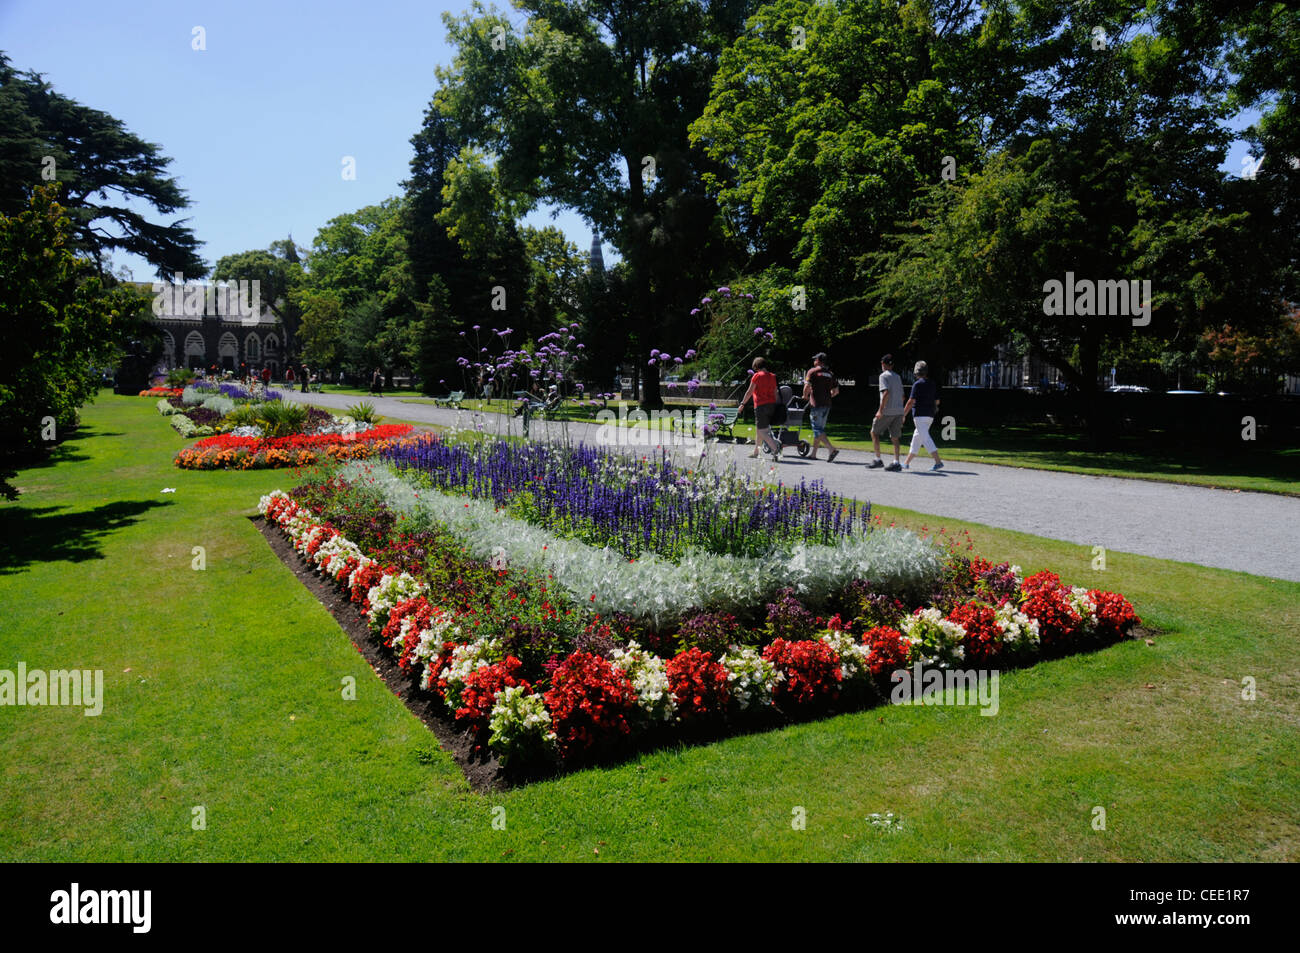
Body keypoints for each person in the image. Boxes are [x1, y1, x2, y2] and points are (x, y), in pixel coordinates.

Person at [902, 360, 944, 471]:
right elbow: (937, 401)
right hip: (930, 415)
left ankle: (938, 462)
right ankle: (906, 463)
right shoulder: (932, 383)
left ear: (916, 372)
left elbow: (911, 401)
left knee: (925, 439)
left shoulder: (917, 384)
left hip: (920, 415)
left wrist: (903, 414)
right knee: (917, 439)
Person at [738, 357, 783, 459]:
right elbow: (775, 393)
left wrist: (742, 404)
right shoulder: (772, 376)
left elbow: (749, 392)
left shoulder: (757, 376)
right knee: (759, 429)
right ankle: (756, 452)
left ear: (756, 366)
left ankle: (775, 449)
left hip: (760, 406)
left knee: (762, 431)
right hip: (771, 405)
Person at [869, 354, 907, 471]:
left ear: (883, 364)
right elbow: (903, 396)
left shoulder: (883, 376)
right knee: (895, 437)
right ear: (892, 365)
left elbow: (886, 393)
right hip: (899, 410)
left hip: (887, 411)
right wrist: (901, 411)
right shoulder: (897, 377)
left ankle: (878, 459)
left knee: (874, 433)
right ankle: (896, 462)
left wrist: (880, 410)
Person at [802, 352, 840, 461]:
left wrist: (805, 396)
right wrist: (827, 396)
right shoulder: (830, 373)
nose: (814, 361)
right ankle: (814, 454)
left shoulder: (812, 371)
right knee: (819, 429)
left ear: (818, 360)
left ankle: (831, 449)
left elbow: (807, 387)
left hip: (816, 404)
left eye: (815, 359)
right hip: (827, 404)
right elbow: (836, 391)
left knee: (817, 429)